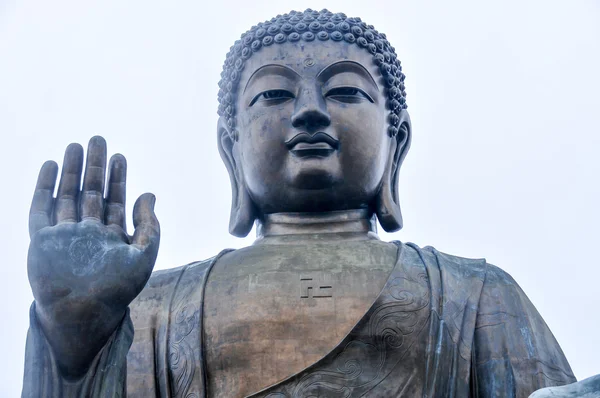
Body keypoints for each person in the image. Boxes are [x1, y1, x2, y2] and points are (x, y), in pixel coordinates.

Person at [22, 9, 580, 398]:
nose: (309, 111)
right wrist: (75, 339)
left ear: (398, 141)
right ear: (229, 147)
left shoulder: (475, 296)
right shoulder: (153, 308)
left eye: (344, 91)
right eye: (273, 94)